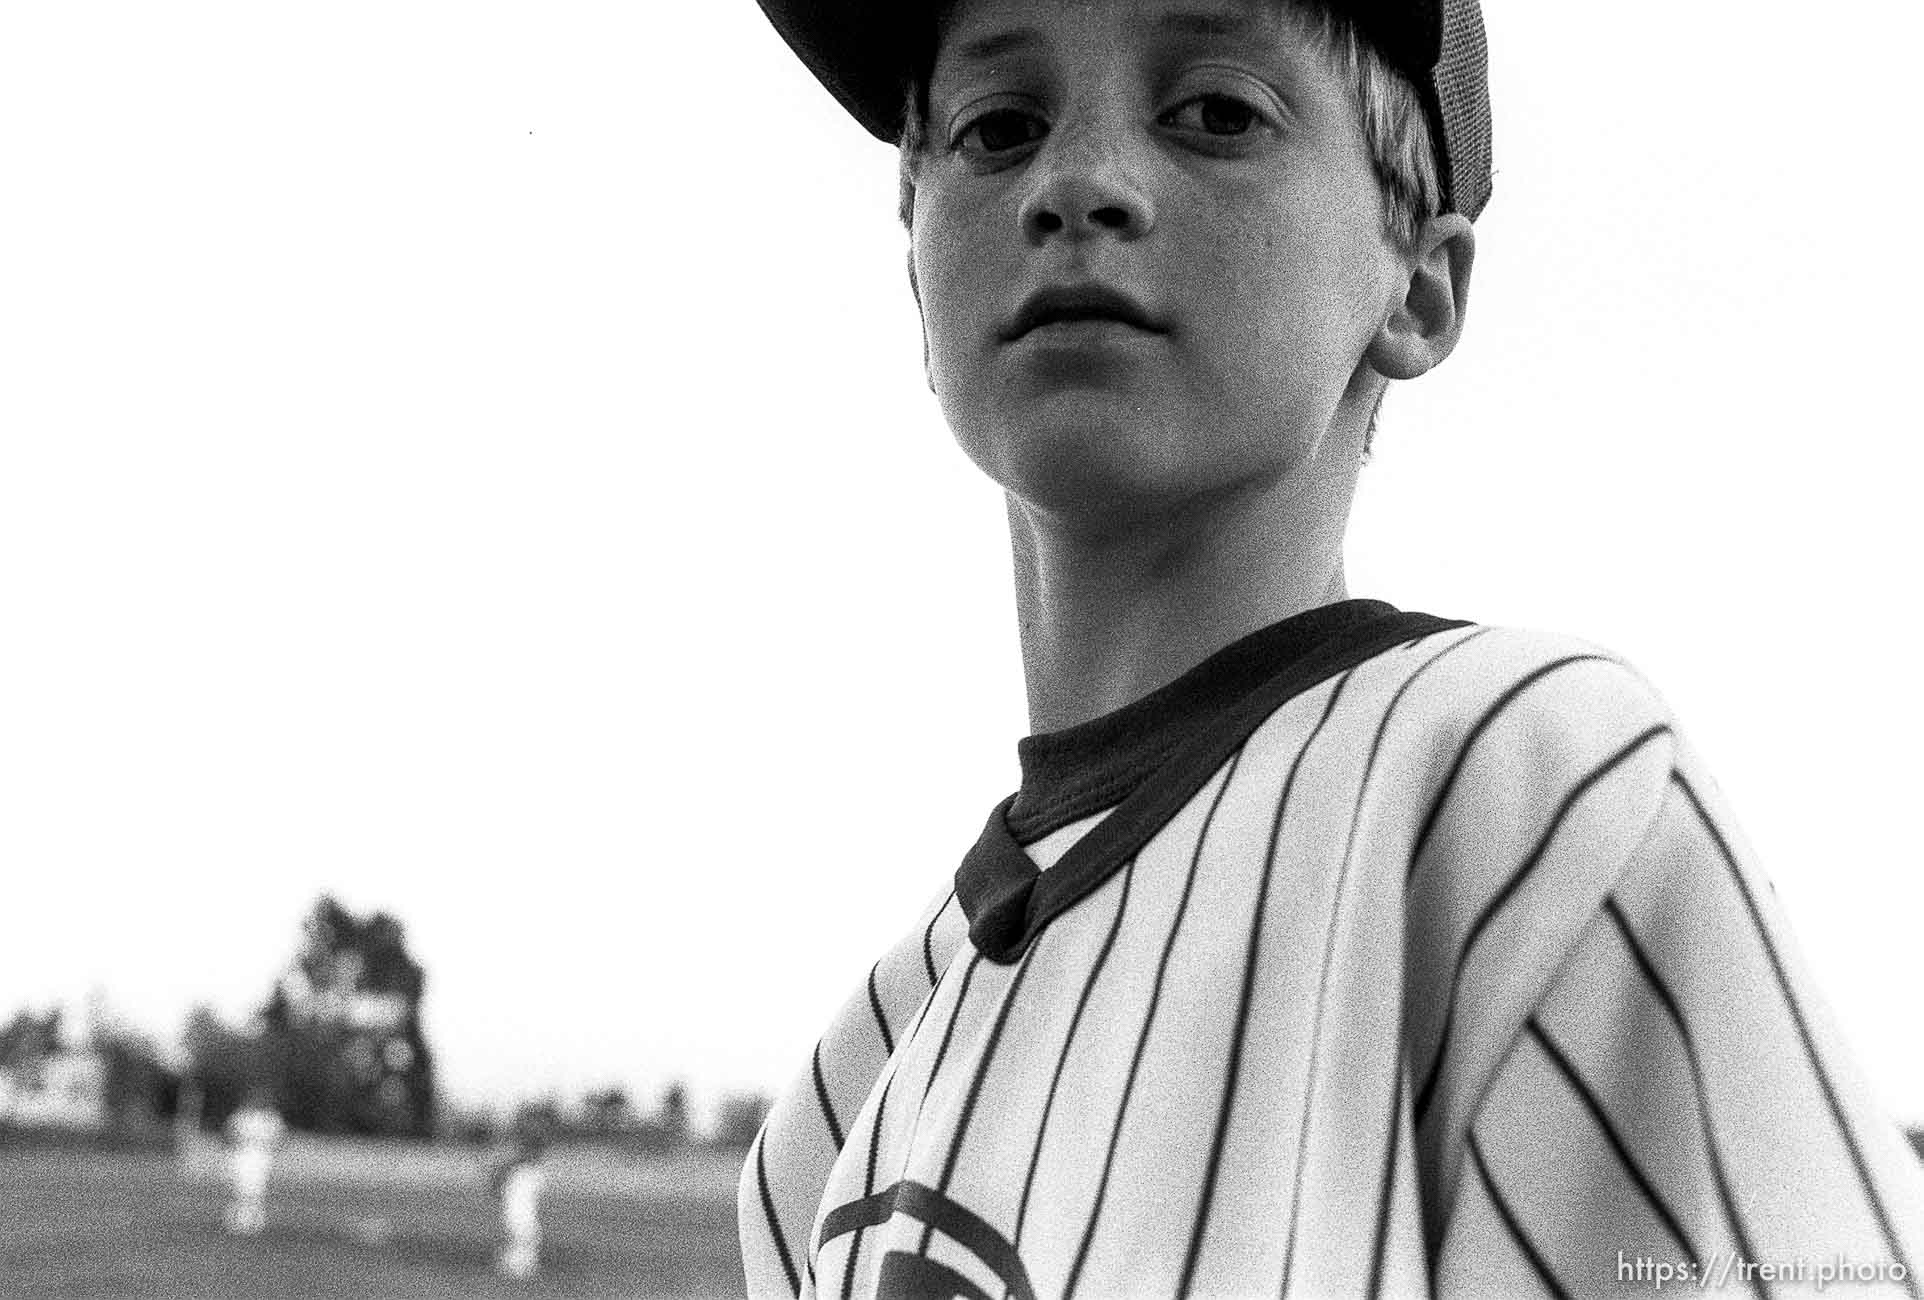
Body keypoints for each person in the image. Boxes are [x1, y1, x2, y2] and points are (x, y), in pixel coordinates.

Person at [737, 1, 1924, 1297]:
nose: (1075, 182)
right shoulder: (838, 1103)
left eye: (1217, 114)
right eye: (997, 126)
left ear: (1418, 286)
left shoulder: (1528, 798)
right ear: (917, 272)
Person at [222, 1088, 284, 1237]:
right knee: (241, 1189)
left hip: (262, 1158)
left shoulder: (271, 1118)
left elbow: (279, 1139)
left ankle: (255, 1222)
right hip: (241, 1156)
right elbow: (228, 1133)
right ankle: (237, 1221)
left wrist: (266, 1147)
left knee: (256, 1191)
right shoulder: (241, 1116)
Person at [489, 1126, 548, 1279]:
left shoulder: (529, 1172)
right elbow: (497, 1184)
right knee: (522, 1238)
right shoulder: (529, 1171)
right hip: (520, 1221)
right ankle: (518, 1262)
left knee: (522, 1238)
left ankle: (518, 1263)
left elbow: (497, 1184)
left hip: (521, 1222)